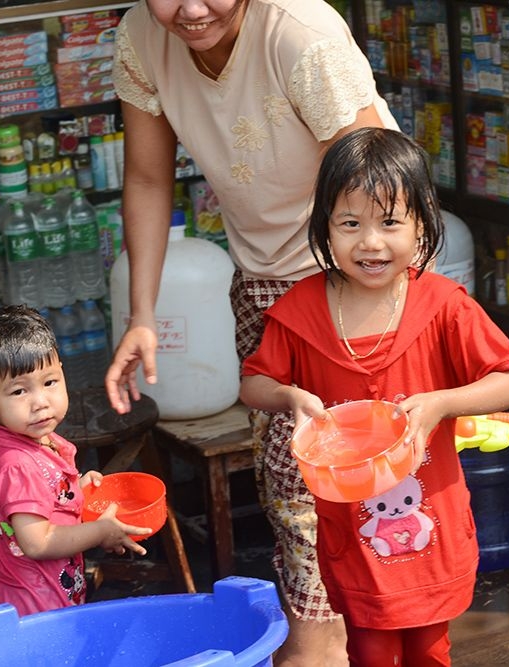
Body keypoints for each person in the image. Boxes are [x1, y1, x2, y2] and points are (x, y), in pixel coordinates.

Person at [106, 1, 397, 662]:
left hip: (353, 274)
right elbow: (149, 177)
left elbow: (377, 190)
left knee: (320, 490)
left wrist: (373, 327)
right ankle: (337, 636)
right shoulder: (142, 37)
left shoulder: (301, 34)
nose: (190, 8)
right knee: (289, 482)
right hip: (260, 277)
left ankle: (317, 644)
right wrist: (141, 314)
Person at [239, 127, 509, 665]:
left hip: (432, 522)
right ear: (325, 226)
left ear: (421, 225)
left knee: (430, 649)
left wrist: (443, 402)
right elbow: (252, 384)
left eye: (389, 223)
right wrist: (290, 397)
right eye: (350, 224)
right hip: (351, 530)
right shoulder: (300, 310)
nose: (370, 243)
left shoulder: (443, 304)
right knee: (369, 650)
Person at [0, 305, 152, 616]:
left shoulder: (29, 439)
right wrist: (100, 532)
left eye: (50, 382)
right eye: (19, 391)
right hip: (34, 607)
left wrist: (75, 488)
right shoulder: (16, 462)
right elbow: (37, 542)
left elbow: (35, 500)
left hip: (47, 593)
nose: (40, 402)